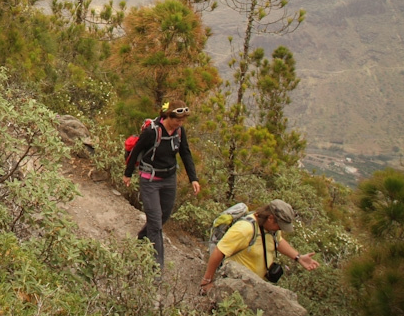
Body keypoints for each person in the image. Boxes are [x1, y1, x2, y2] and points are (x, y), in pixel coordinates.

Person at [123, 100, 201, 269]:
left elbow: (185, 153)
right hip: (150, 180)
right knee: (156, 223)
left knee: (163, 216)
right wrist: (128, 174)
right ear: (168, 116)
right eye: (177, 120)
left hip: (169, 179)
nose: (180, 123)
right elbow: (136, 150)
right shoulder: (152, 132)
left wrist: (193, 178)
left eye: (182, 120)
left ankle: (142, 238)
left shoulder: (179, 131)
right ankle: (156, 267)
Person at [200, 199, 320, 293]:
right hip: (235, 284)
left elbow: (278, 242)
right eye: (279, 225)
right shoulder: (245, 229)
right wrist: (207, 280)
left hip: (253, 287)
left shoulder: (271, 229)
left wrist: (298, 257)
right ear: (271, 218)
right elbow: (219, 251)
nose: (280, 229)